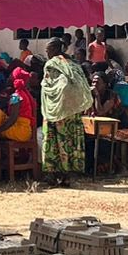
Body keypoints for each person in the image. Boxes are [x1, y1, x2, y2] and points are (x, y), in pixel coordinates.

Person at [39, 38, 92, 186]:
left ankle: (52, 175)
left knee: (53, 141)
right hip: (73, 110)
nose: (47, 53)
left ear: (55, 49)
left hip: (55, 110)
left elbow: (49, 86)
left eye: (48, 50)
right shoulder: (74, 64)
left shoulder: (51, 64)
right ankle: (68, 176)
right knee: (70, 141)